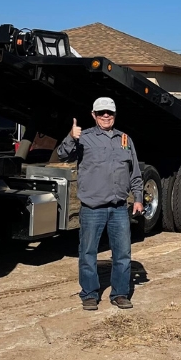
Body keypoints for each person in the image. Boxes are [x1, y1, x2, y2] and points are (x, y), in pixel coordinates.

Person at [57, 96, 143, 310]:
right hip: (92, 208)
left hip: (119, 208)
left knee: (122, 253)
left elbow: (135, 172)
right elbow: (63, 155)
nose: (106, 116)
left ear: (115, 115)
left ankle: (120, 293)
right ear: (93, 115)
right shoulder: (83, 138)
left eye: (110, 112)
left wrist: (138, 198)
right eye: (101, 112)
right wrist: (70, 136)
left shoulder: (125, 139)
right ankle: (89, 294)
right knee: (88, 253)